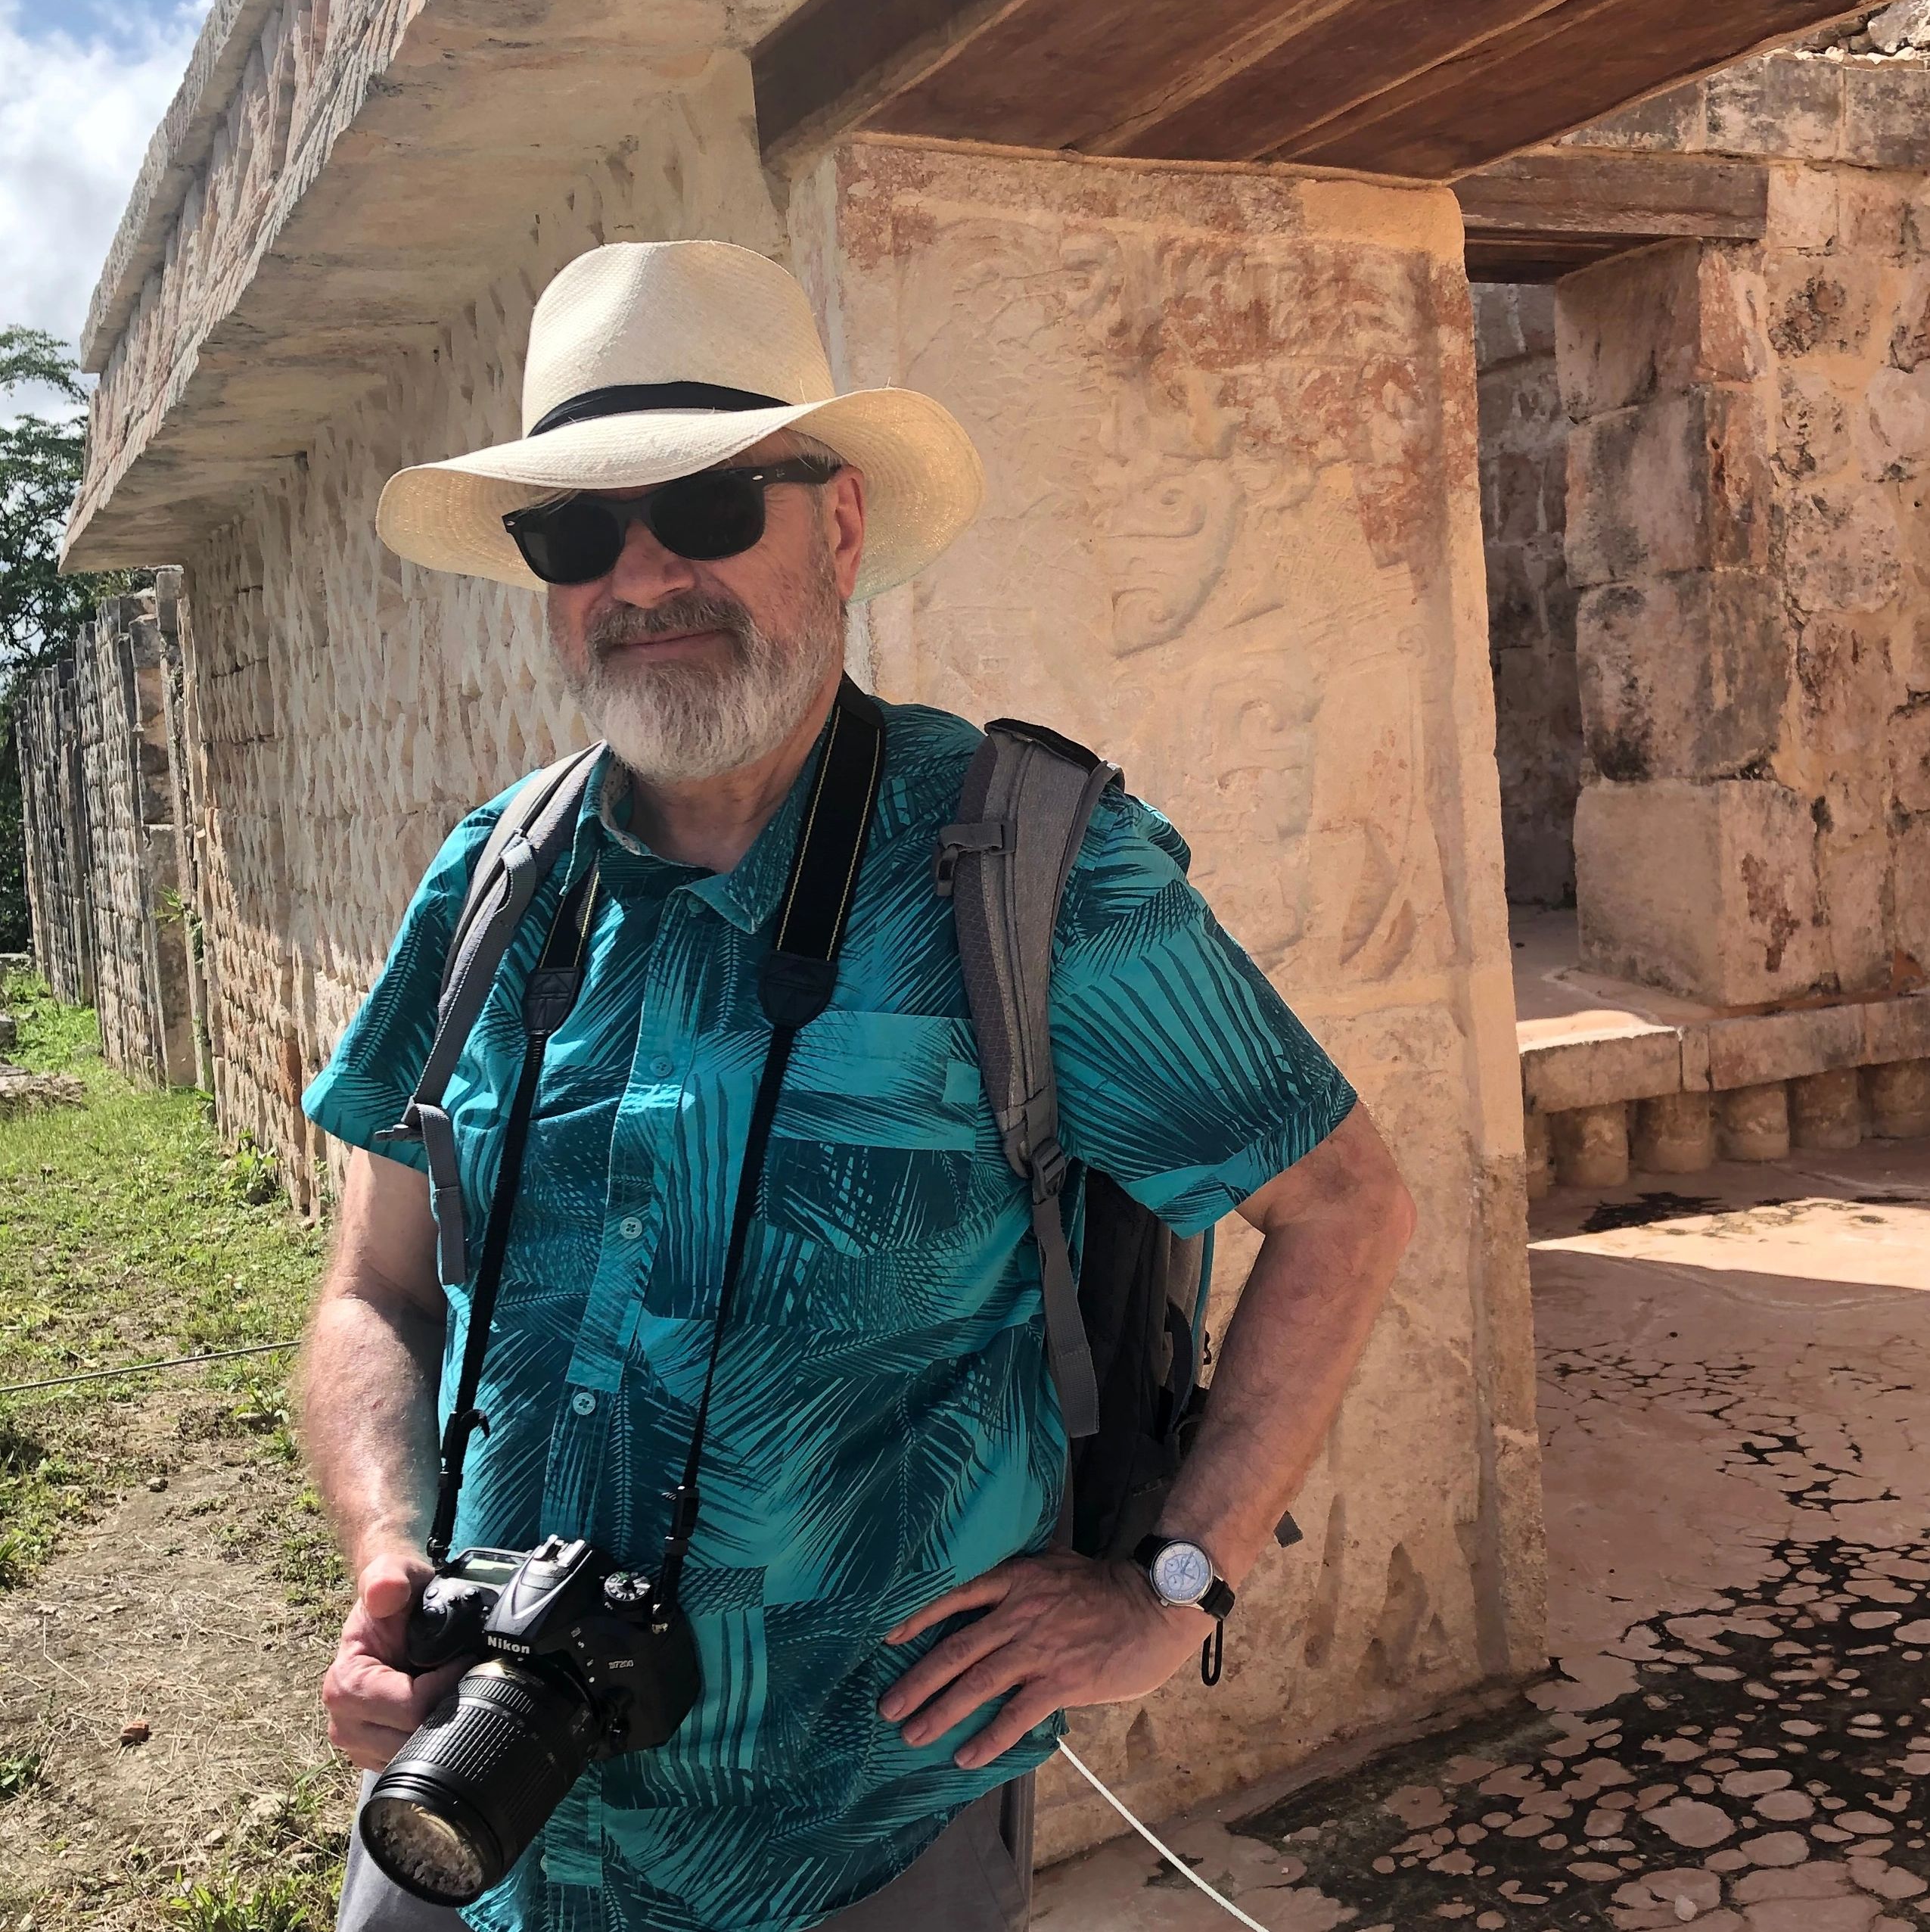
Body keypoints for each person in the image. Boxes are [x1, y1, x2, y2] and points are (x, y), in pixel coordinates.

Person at [300, 238, 1415, 1932]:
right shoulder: (492, 882)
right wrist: (389, 1558)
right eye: (577, 532)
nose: (642, 572)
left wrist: (1174, 1586)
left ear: (839, 525)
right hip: (481, 1809)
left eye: (706, 504)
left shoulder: (1030, 870)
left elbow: (1343, 1206)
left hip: (851, 1840)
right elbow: (373, 1288)